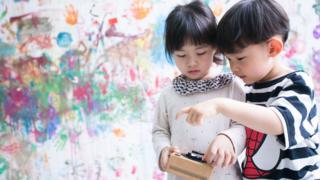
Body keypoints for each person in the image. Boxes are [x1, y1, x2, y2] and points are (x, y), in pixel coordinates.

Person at [177, 0, 320, 179]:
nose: (233, 68)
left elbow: (276, 123)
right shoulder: (248, 90)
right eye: (229, 60)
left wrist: (220, 104)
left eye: (240, 58)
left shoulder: (298, 84)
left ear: (272, 48)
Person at [152, 1, 246, 179]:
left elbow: (245, 125)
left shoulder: (233, 86)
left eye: (201, 53)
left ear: (215, 48)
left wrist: (230, 139)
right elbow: (160, 130)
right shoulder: (169, 94)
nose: (191, 62)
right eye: (181, 55)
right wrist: (163, 149)